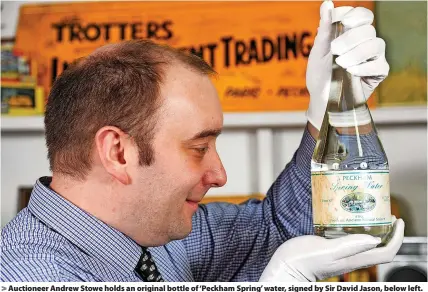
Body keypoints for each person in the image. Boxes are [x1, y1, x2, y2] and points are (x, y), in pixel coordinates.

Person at [1, 1, 404, 282]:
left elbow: (276, 229)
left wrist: (330, 106)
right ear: (118, 152)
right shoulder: (34, 274)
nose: (220, 174)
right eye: (198, 147)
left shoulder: (153, 233)